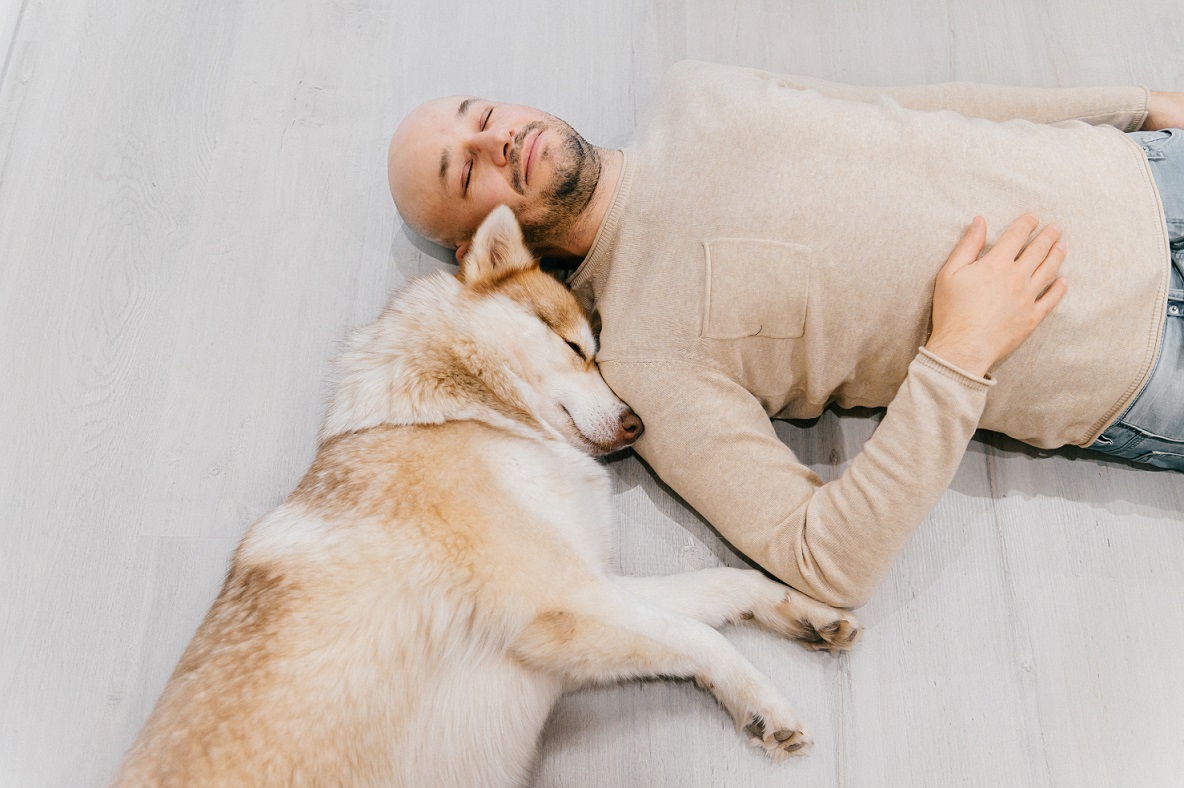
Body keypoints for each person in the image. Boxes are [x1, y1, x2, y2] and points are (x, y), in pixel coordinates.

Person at [386, 61, 1184, 608]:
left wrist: (1133, 105)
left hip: (1142, 171)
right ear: (476, 249)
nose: (497, 141)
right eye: (466, 171)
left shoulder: (693, 91)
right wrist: (960, 352)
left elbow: (913, 105)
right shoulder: (644, 360)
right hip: (1132, 360)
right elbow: (824, 560)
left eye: (483, 116)